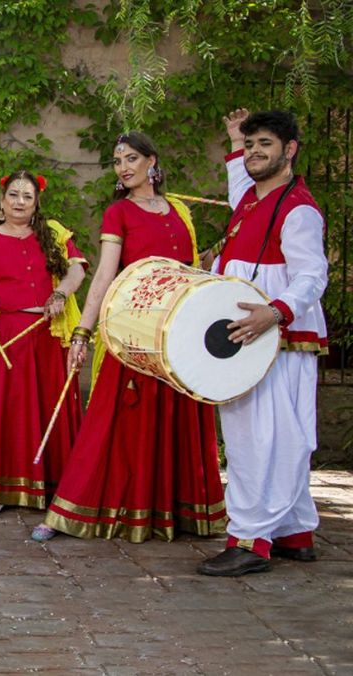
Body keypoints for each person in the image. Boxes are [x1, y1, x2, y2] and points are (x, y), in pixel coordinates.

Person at [31, 132, 227, 542]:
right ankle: (69, 512)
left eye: (131, 158)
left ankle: (175, 512)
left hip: (177, 333)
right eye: (117, 160)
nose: (123, 166)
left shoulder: (179, 211)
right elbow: (104, 274)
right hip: (133, 331)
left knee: (176, 417)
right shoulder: (118, 212)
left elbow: (190, 270)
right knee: (112, 419)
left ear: (152, 162)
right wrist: (83, 332)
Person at [196, 109, 328, 577]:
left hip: (273, 335)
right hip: (263, 335)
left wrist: (274, 312)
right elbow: (239, 190)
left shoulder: (299, 209)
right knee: (281, 434)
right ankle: (294, 530)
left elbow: (314, 275)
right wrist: (235, 141)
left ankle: (250, 538)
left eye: (263, 145)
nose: (254, 154)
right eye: (250, 146)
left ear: (289, 150)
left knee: (257, 439)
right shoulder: (254, 199)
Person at [0, 170, 87, 515]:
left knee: (47, 405)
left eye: (27, 196)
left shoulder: (53, 234)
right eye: (14, 195)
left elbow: (78, 270)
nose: (20, 202)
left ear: (36, 201)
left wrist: (60, 292)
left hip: (48, 331)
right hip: (8, 335)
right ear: (2, 201)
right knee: (7, 411)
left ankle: (54, 486)